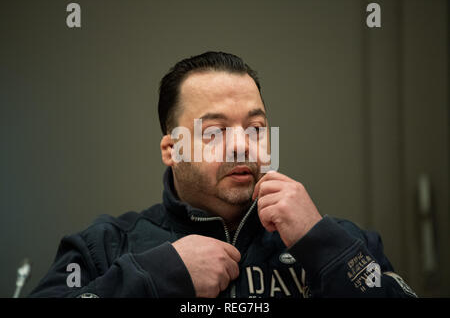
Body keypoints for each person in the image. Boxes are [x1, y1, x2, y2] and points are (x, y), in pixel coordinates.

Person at [29, 51, 417, 298]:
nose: (242, 146)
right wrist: (159, 276)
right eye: (214, 132)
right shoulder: (105, 246)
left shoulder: (340, 240)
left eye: (256, 129)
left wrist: (323, 245)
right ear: (172, 149)